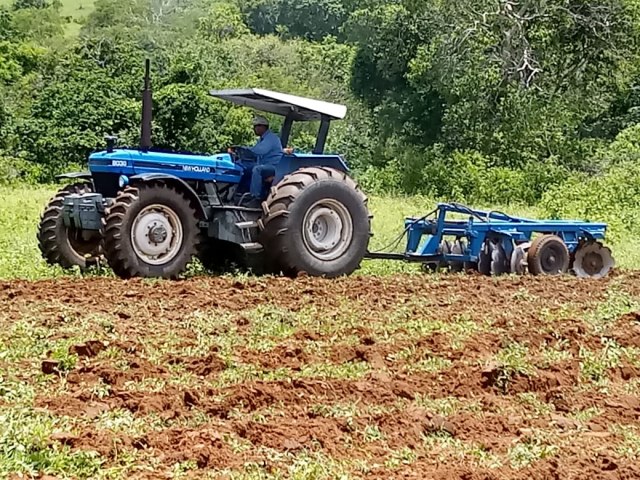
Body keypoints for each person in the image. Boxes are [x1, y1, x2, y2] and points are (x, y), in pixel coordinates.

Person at [234, 116, 284, 206]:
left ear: (263, 127)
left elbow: (259, 151)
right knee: (243, 167)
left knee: (257, 169)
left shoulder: (271, 138)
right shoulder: (262, 139)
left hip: (274, 167)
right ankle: (239, 192)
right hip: (265, 165)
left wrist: (243, 149)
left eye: (256, 126)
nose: (254, 129)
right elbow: (255, 150)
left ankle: (255, 197)